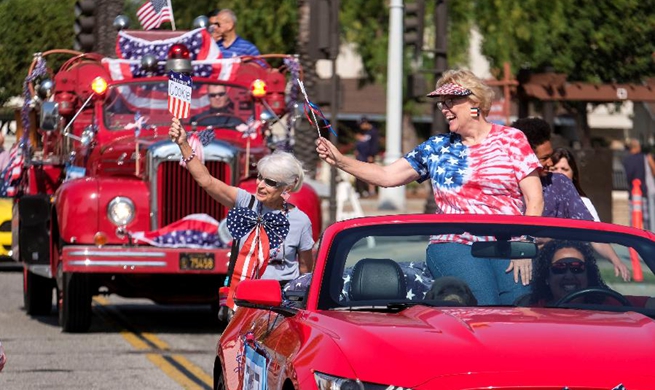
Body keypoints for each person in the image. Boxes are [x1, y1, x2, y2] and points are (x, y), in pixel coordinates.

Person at [317, 69, 544, 305]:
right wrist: (340, 160)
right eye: (442, 104)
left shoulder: (512, 139)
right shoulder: (437, 146)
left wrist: (524, 245)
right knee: (484, 304)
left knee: (519, 306)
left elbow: (535, 199)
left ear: (475, 102)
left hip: (509, 242)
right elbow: (386, 176)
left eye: (451, 102)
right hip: (455, 242)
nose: (445, 109)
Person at [169, 117, 315, 285]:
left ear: (287, 188)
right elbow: (206, 181)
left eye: (270, 183)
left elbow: (305, 271)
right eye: (260, 177)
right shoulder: (246, 201)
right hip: (245, 292)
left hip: (281, 298)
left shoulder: (301, 221)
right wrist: (183, 144)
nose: (260, 185)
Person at [511, 117, 630, 281]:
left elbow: (587, 229)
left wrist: (615, 259)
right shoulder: (505, 188)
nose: (551, 162)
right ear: (526, 157)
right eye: (544, 158)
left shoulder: (559, 183)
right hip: (513, 271)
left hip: (557, 274)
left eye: (551, 155)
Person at [530, 240, 654, 308]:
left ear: (588, 275)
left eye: (577, 268)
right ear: (547, 277)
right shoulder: (533, 312)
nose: (568, 275)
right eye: (559, 268)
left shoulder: (607, 304)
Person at [550, 147, 600, 221]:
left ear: (574, 174)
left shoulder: (584, 203)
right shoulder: (539, 200)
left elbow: (596, 229)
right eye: (554, 169)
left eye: (564, 169)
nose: (559, 174)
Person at [622, 139, 655, 230]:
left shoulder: (626, 160)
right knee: (647, 220)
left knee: (633, 220)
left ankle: (634, 240)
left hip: (632, 194)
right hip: (644, 193)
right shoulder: (644, 157)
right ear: (638, 147)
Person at [353, 117, 379, 198]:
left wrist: (372, 155)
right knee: (360, 174)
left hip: (369, 156)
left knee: (370, 174)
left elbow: (374, 145)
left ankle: (371, 190)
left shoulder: (373, 132)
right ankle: (361, 190)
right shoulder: (364, 132)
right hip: (361, 156)